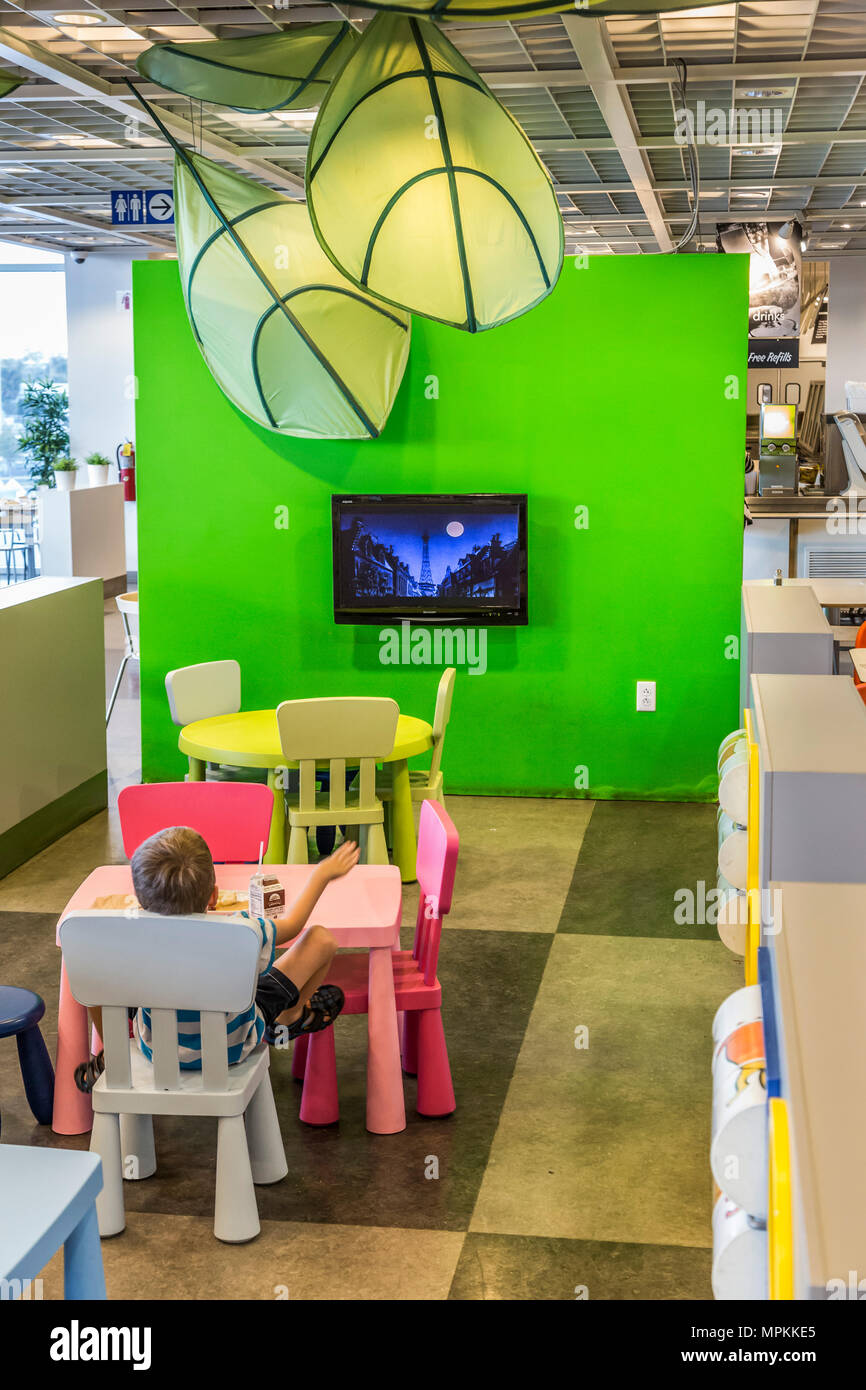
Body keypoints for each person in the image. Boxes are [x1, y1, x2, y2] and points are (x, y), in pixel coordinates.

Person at [74, 826, 356, 1092]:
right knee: (321, 939)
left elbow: (92, 981)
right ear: (214, 896)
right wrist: (321, 874)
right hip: (233, 1046)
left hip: (155, 1049)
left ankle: (111, 1053)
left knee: (94, 967)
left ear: (139, 899)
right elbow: (294, 924)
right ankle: (289, 1016)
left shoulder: (127, 938)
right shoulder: (243, 930)